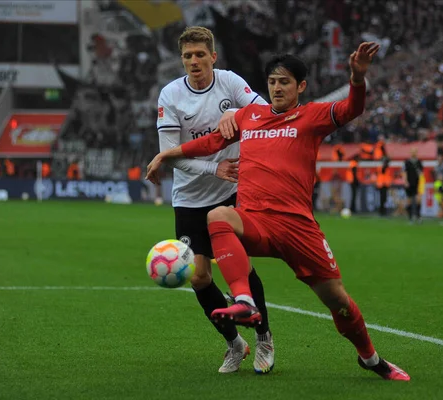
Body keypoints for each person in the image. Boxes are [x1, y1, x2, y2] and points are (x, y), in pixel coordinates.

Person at [148, 43, 410, 381]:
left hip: (298, 228)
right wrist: (166, 155)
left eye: (284, 82)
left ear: (300, 86)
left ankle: (371, 358)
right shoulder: (249, 116)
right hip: (256, 221)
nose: (276, 88)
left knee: (337, 300)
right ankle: (244, 299)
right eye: (272, 82)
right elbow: (211, 143)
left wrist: (357, 77)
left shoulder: (313, 116)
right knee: (218, 216)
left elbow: (351, 109)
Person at [155, 26, 273, 374]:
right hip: (189, 197)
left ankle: (265, 339)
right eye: (188, 56)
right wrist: (213, 167)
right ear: (182, 59)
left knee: (240, 266)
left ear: (213, 57)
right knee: (200, 278)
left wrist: (236, 114)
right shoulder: (171, 95)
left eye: (200, 55)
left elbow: (265, 113)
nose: (194, 61)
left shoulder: (230, 83)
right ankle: (235, 344)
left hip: (230, 194)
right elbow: (170, 155)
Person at [402, 148, 423, 223]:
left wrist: (421, 183)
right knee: (409, 200)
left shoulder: (419, 162)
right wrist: (405, 181)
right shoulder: (407, 162)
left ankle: (418, 216)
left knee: (418, 200)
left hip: (417, 183)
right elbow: (404, 172)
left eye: (415, 152)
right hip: (409, 183)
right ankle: (410, 217)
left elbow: (421, 174)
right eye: (412, 152)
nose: (413, 153)